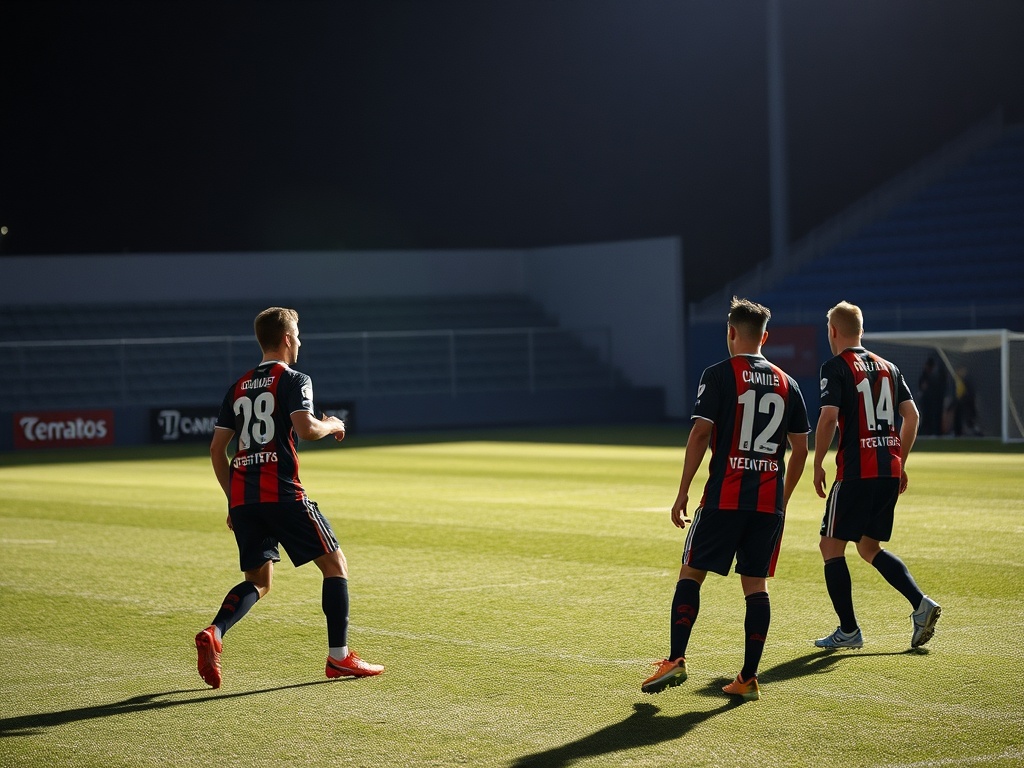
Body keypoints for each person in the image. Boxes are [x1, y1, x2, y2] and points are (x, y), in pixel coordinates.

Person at [195, 306, 384, 688]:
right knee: (335, 566)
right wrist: (333, 424)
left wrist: (233, 500)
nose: (299, 341)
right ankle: (339, 658)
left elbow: (218, 450)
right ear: (285, 338)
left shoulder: (238, 385)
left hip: (246, 500)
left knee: (259, 581)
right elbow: (307, 429)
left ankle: (215, 631)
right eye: (297, 335)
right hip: (282, 493)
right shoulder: (295, 379)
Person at [641, 297, 809, 701]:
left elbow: (700, 434)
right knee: (756, 585)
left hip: (724, 498)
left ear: (731, 333)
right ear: (765, 337)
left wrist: (682, 489)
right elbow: (801, 449)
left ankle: (676, 659)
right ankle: (748, 678)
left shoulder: (718, 374)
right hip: (768, 503)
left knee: (691, 573)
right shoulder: (790, 383)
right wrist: (780, 497)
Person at [812, 301, 940, 650]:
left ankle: (849, 630)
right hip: (887, 469)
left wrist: (817, 461)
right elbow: (911, 417)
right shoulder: (889, 367)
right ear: (862, 331)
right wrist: (901, 461)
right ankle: (921, 604)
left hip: (856, 471)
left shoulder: (835, 367)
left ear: (833, 331)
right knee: (869, 547)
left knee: (829, 546)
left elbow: (827, 418)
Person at [916, 356, 946, 437]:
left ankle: (933, 432)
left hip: (933, 401)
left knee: (933, 417)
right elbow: (921, 386)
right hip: (926, 401)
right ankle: (926, 432)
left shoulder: (934, 376)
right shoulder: (925, 375)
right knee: (925, 417)